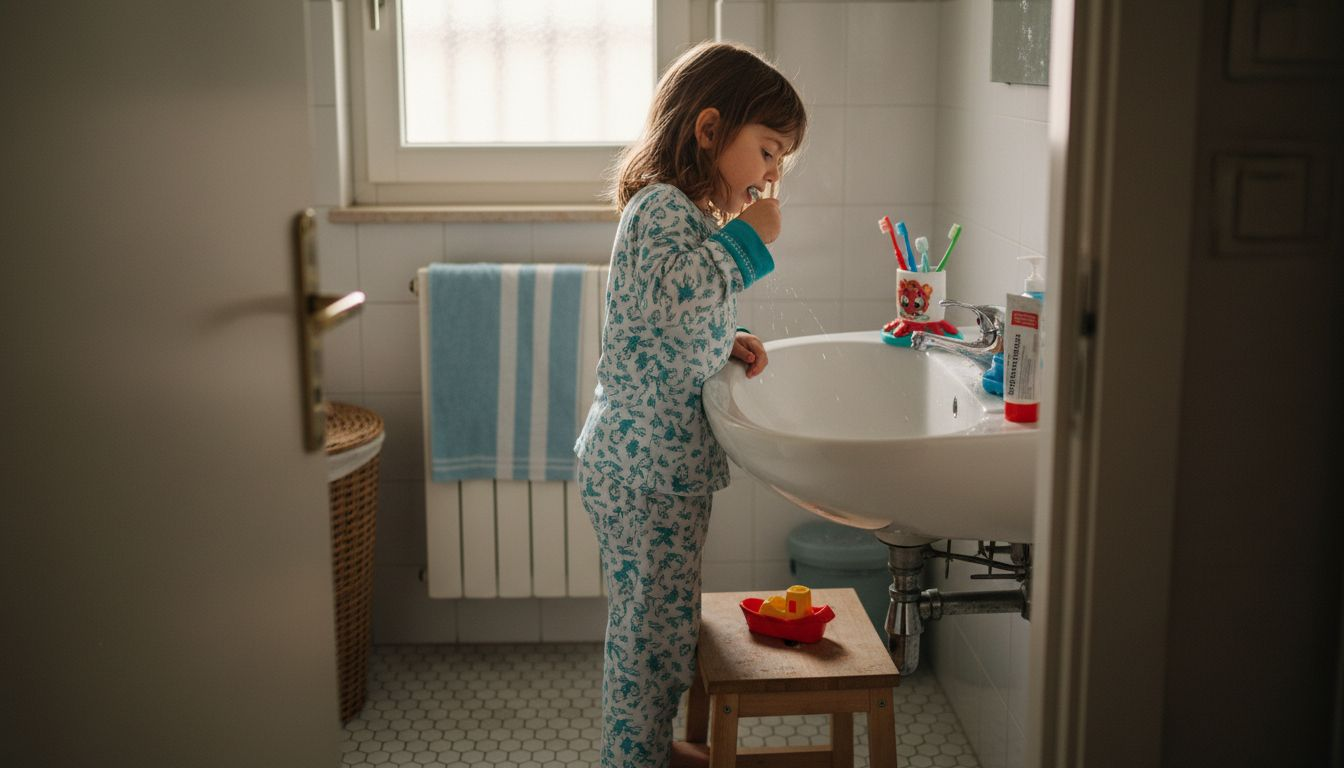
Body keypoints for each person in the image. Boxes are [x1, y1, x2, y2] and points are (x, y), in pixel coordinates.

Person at [573, 41, 807, 768]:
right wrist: (746, 240)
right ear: (709, 131)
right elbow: (671, 292)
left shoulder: (683, 218)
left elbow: (667, 318)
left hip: (655, 471)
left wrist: (723, 339)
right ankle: (634, 758)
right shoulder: (660, 208)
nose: (772, 175)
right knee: (647, 646)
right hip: (645, 475)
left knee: (664, 634)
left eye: (780, 161)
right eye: (768, 151)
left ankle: (648, 748)